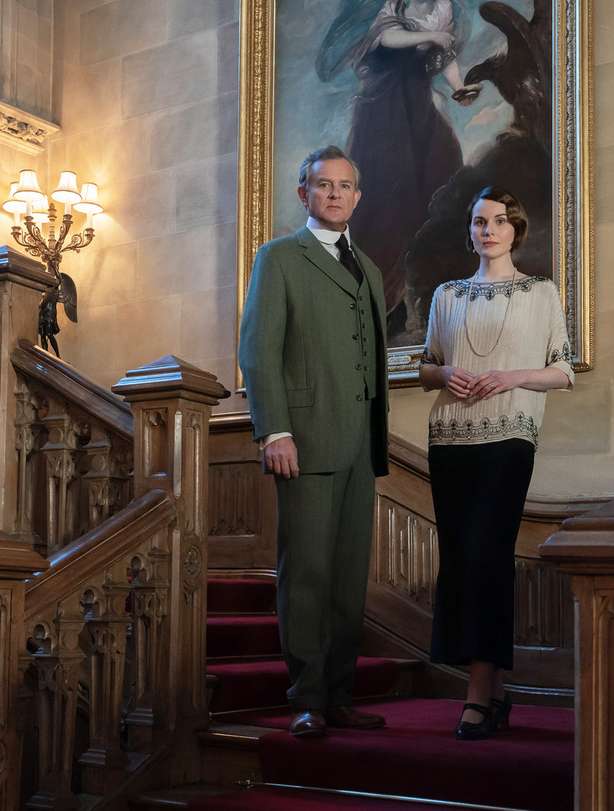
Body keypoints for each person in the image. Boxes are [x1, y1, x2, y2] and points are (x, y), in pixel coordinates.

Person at [238, 145, 389, 738]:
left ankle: (340, 695)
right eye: (323, 185)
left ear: (358, 197)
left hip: (361, 446)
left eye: (345, 186)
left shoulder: (369, 268)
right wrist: (274, 430)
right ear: (304, 193)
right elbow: (258, 349)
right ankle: (306, 698)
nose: (334, 194)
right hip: (303, 439)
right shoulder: (278, 257)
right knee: (306, 574)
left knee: (349, 579)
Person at [418, 185, 574, 740]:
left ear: (516, 230)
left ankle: (477, 695)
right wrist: (445, 373)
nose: (488, 230)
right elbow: (427, 367)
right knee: (462, 561)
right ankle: (495, 692)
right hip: (449, 439)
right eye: (479, 221)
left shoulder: (540, 292)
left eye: (500, 221)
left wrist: (511, 377)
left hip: (509, 436)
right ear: (470, 231)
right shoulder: (447, 295)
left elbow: (563, 371)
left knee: (488, 556)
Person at [316, 0, 481, 330]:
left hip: (418, 107)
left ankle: (429, 291)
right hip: (384, 109)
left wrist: (459, 88)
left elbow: (444, 53)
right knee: (389, 195)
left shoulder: (443, 7)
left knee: (441, 174)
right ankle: (383, 299)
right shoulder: (391, 5)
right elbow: (387, 37)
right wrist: (432, 36)